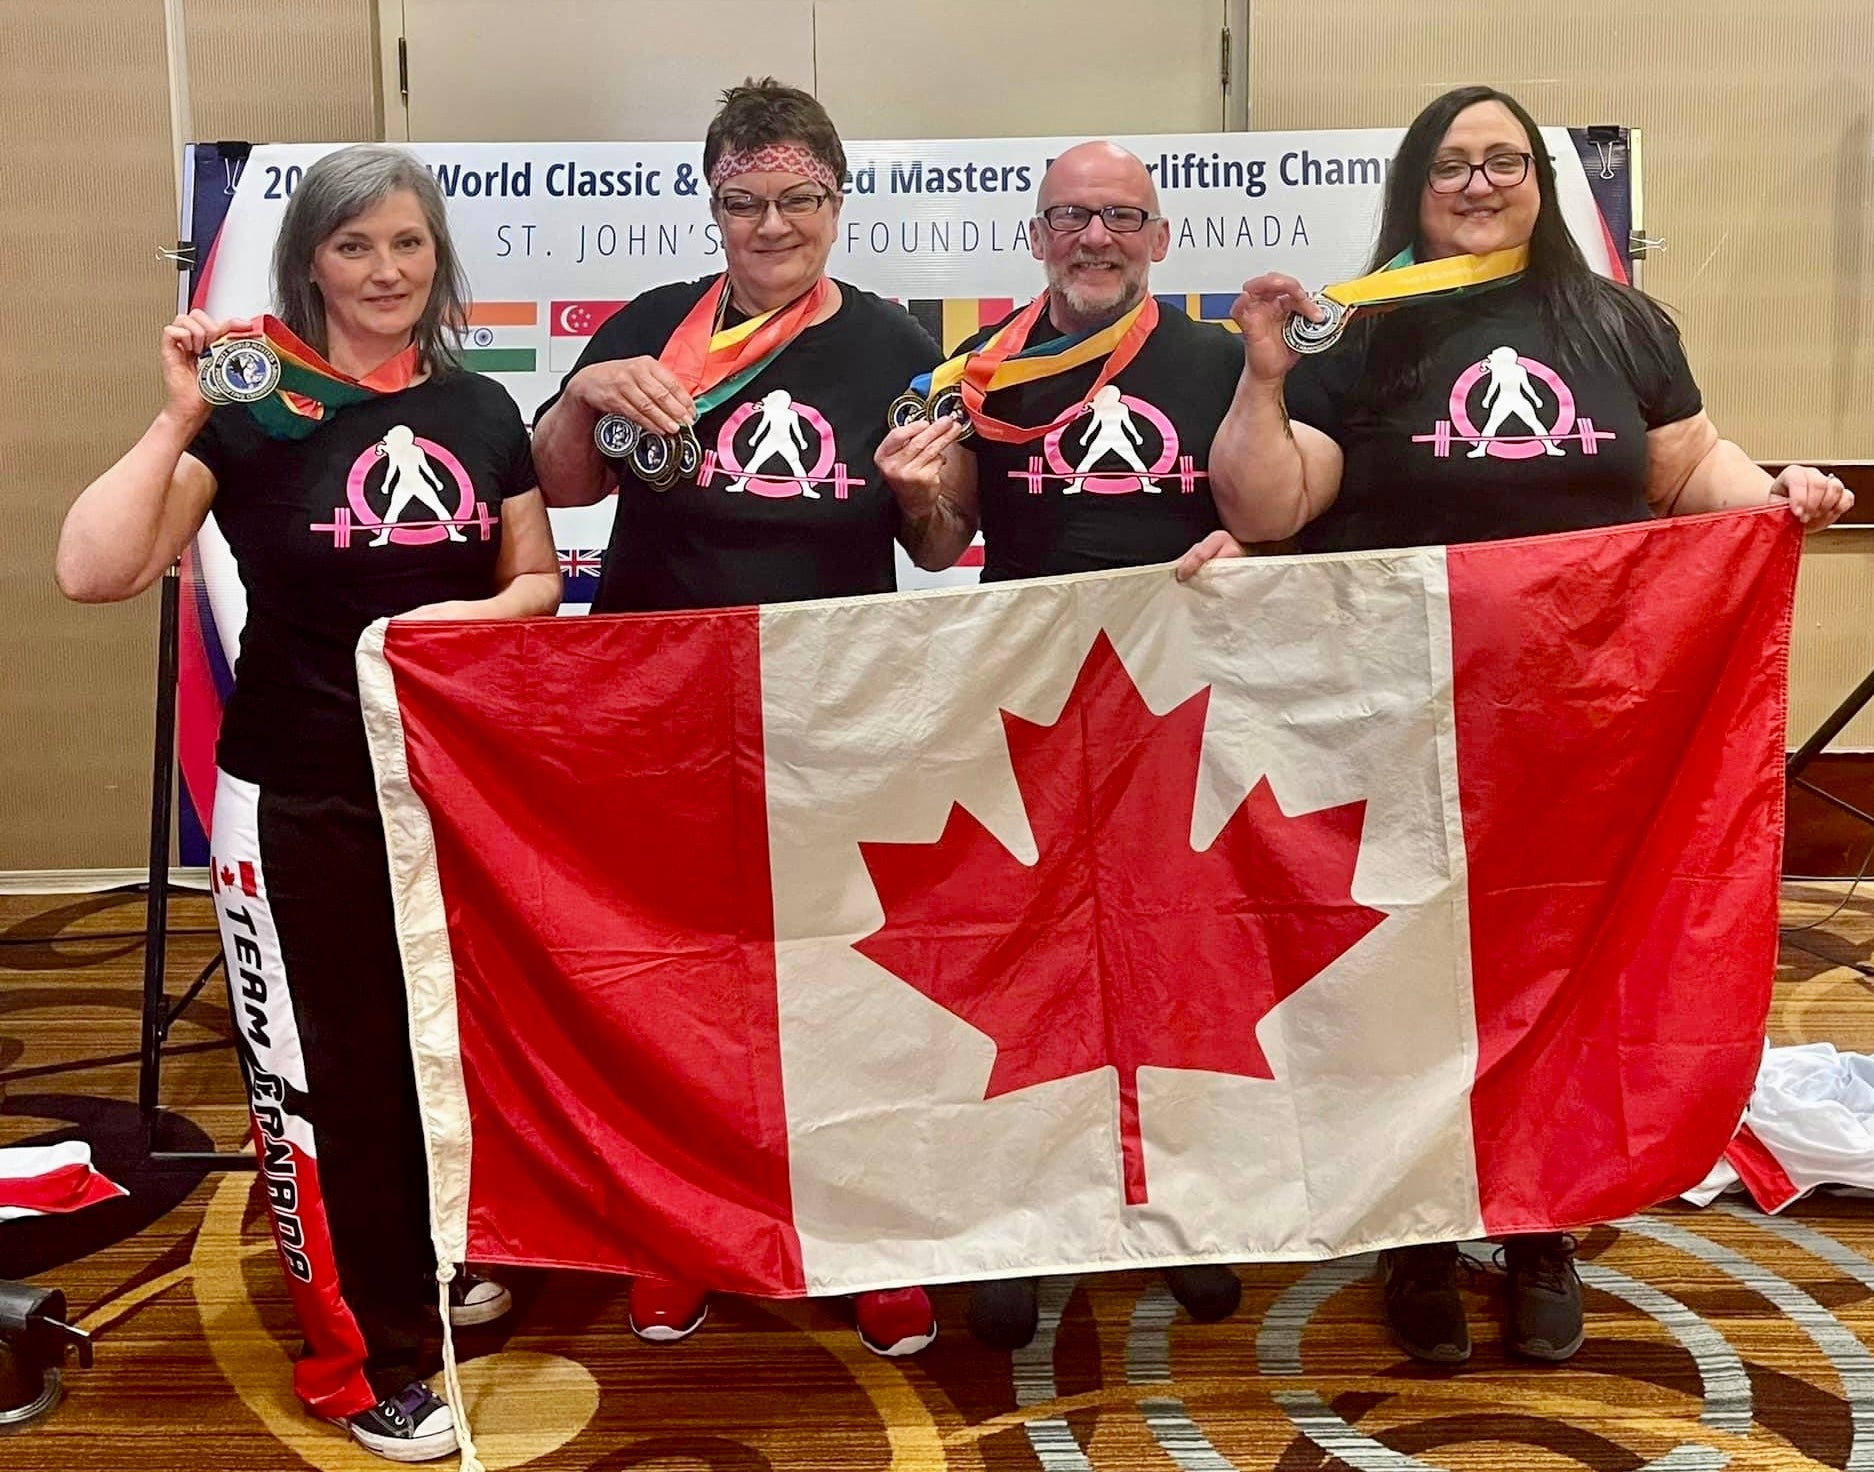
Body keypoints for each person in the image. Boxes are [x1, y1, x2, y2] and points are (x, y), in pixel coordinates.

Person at [1212, 85, 1854, 1366]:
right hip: (1399, 716)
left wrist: (1777, 492)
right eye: (1450, 163)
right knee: (1405, 977)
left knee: (1557, 973)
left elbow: (1688, 468)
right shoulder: (1358, 327)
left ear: (1539, 183)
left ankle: (1537, 1221)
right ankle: (1414, 1230)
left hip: (1580, 723)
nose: (1478, 183)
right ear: (1413, 185)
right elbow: (1269, 506)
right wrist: (1264, 379)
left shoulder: (1615, 320)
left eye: (1503, 161)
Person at [57, 145, 561, 1462]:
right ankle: (361, 1364)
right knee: (318, 1081)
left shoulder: (478, 407)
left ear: (437, 255)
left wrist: (458, 621)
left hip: (442, 791)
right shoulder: (254, 414)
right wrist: (175, 417)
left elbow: (534, 579)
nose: (386, 270)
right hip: (298, 798)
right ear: (311, 263)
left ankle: (425, 1269)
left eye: (407, 242)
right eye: (354, 246)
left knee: (430, 1050)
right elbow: (93, 570)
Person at [530, 77, 944, 1357]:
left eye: (797, 198)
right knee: (679, 979)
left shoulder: (894, 342)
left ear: (837, 199)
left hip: (836, 707)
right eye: (744, 202)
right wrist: (583, 396)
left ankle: (871, 1234)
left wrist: (922, 492)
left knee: (850, 976)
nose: (771, 224)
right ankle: (682, 1229)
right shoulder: (651, 326)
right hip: (663, 705)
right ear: (710, 207)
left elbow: (939, 544)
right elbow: (557, 487)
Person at [873, 139, 1251, 1350]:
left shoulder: (1219, 363)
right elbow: (940, 546)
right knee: (1032, 972)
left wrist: (1255, 542)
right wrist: (916, 493)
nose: (1095, 237)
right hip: (1029, 710)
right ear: (1034, 237)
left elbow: (1279, 510)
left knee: (1176, 964)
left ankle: (1176, 1208)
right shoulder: (979, 372)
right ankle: (1028, 1220)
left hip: (1182, 708)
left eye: (1121, 217)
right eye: (1071, 217)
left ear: (1160, 238)